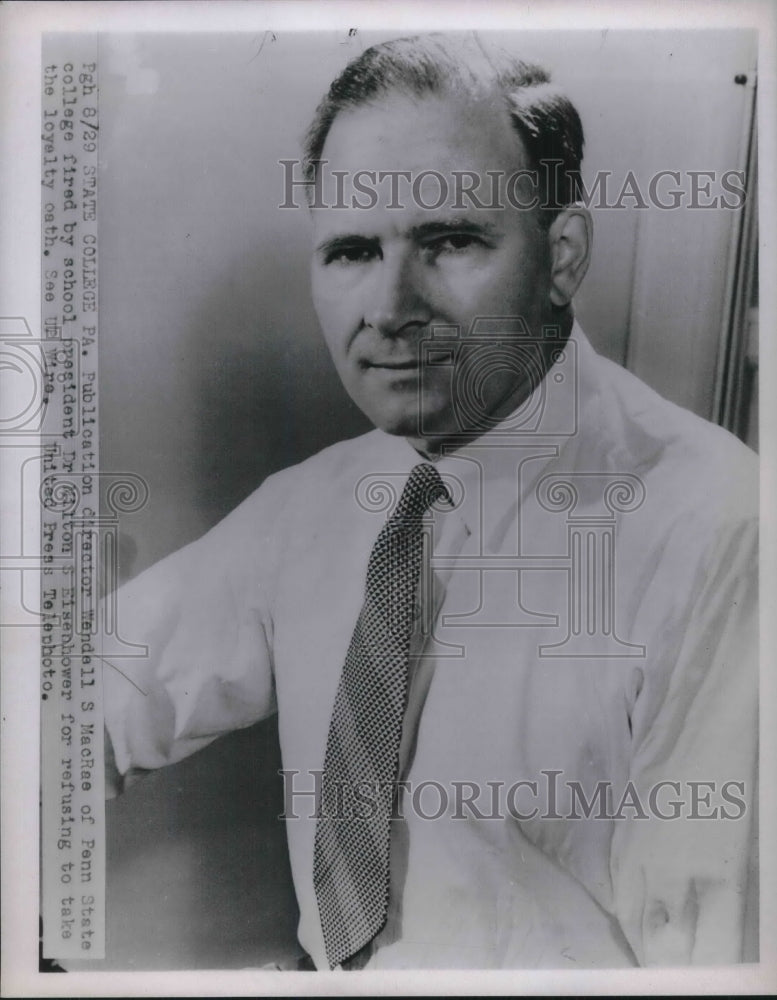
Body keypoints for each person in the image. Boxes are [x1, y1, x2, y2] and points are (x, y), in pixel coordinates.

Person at [103, 33, 758, 969]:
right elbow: (80, 695)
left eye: (450, 240)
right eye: (352, 251)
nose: (391, 304)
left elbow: (713, 963)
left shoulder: (720, 531)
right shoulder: (322, 500)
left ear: (561, 254)